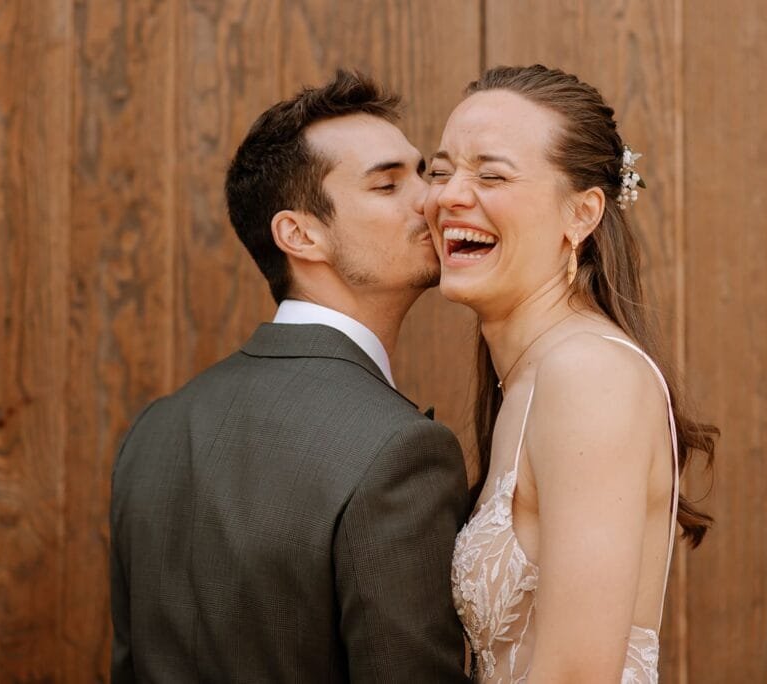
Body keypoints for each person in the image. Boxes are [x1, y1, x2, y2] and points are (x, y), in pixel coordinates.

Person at [110, 70, 471, 683]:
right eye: (388, 185)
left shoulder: (154, 432)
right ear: (300, 235)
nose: (431, 200)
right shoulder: (401, 451)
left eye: (423, 173)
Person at [425, 65, 718, 683]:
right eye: (441, 169)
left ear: (581, 215)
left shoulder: (588, 374)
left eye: (492, 173)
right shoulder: (532, 375)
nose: (448, 195)